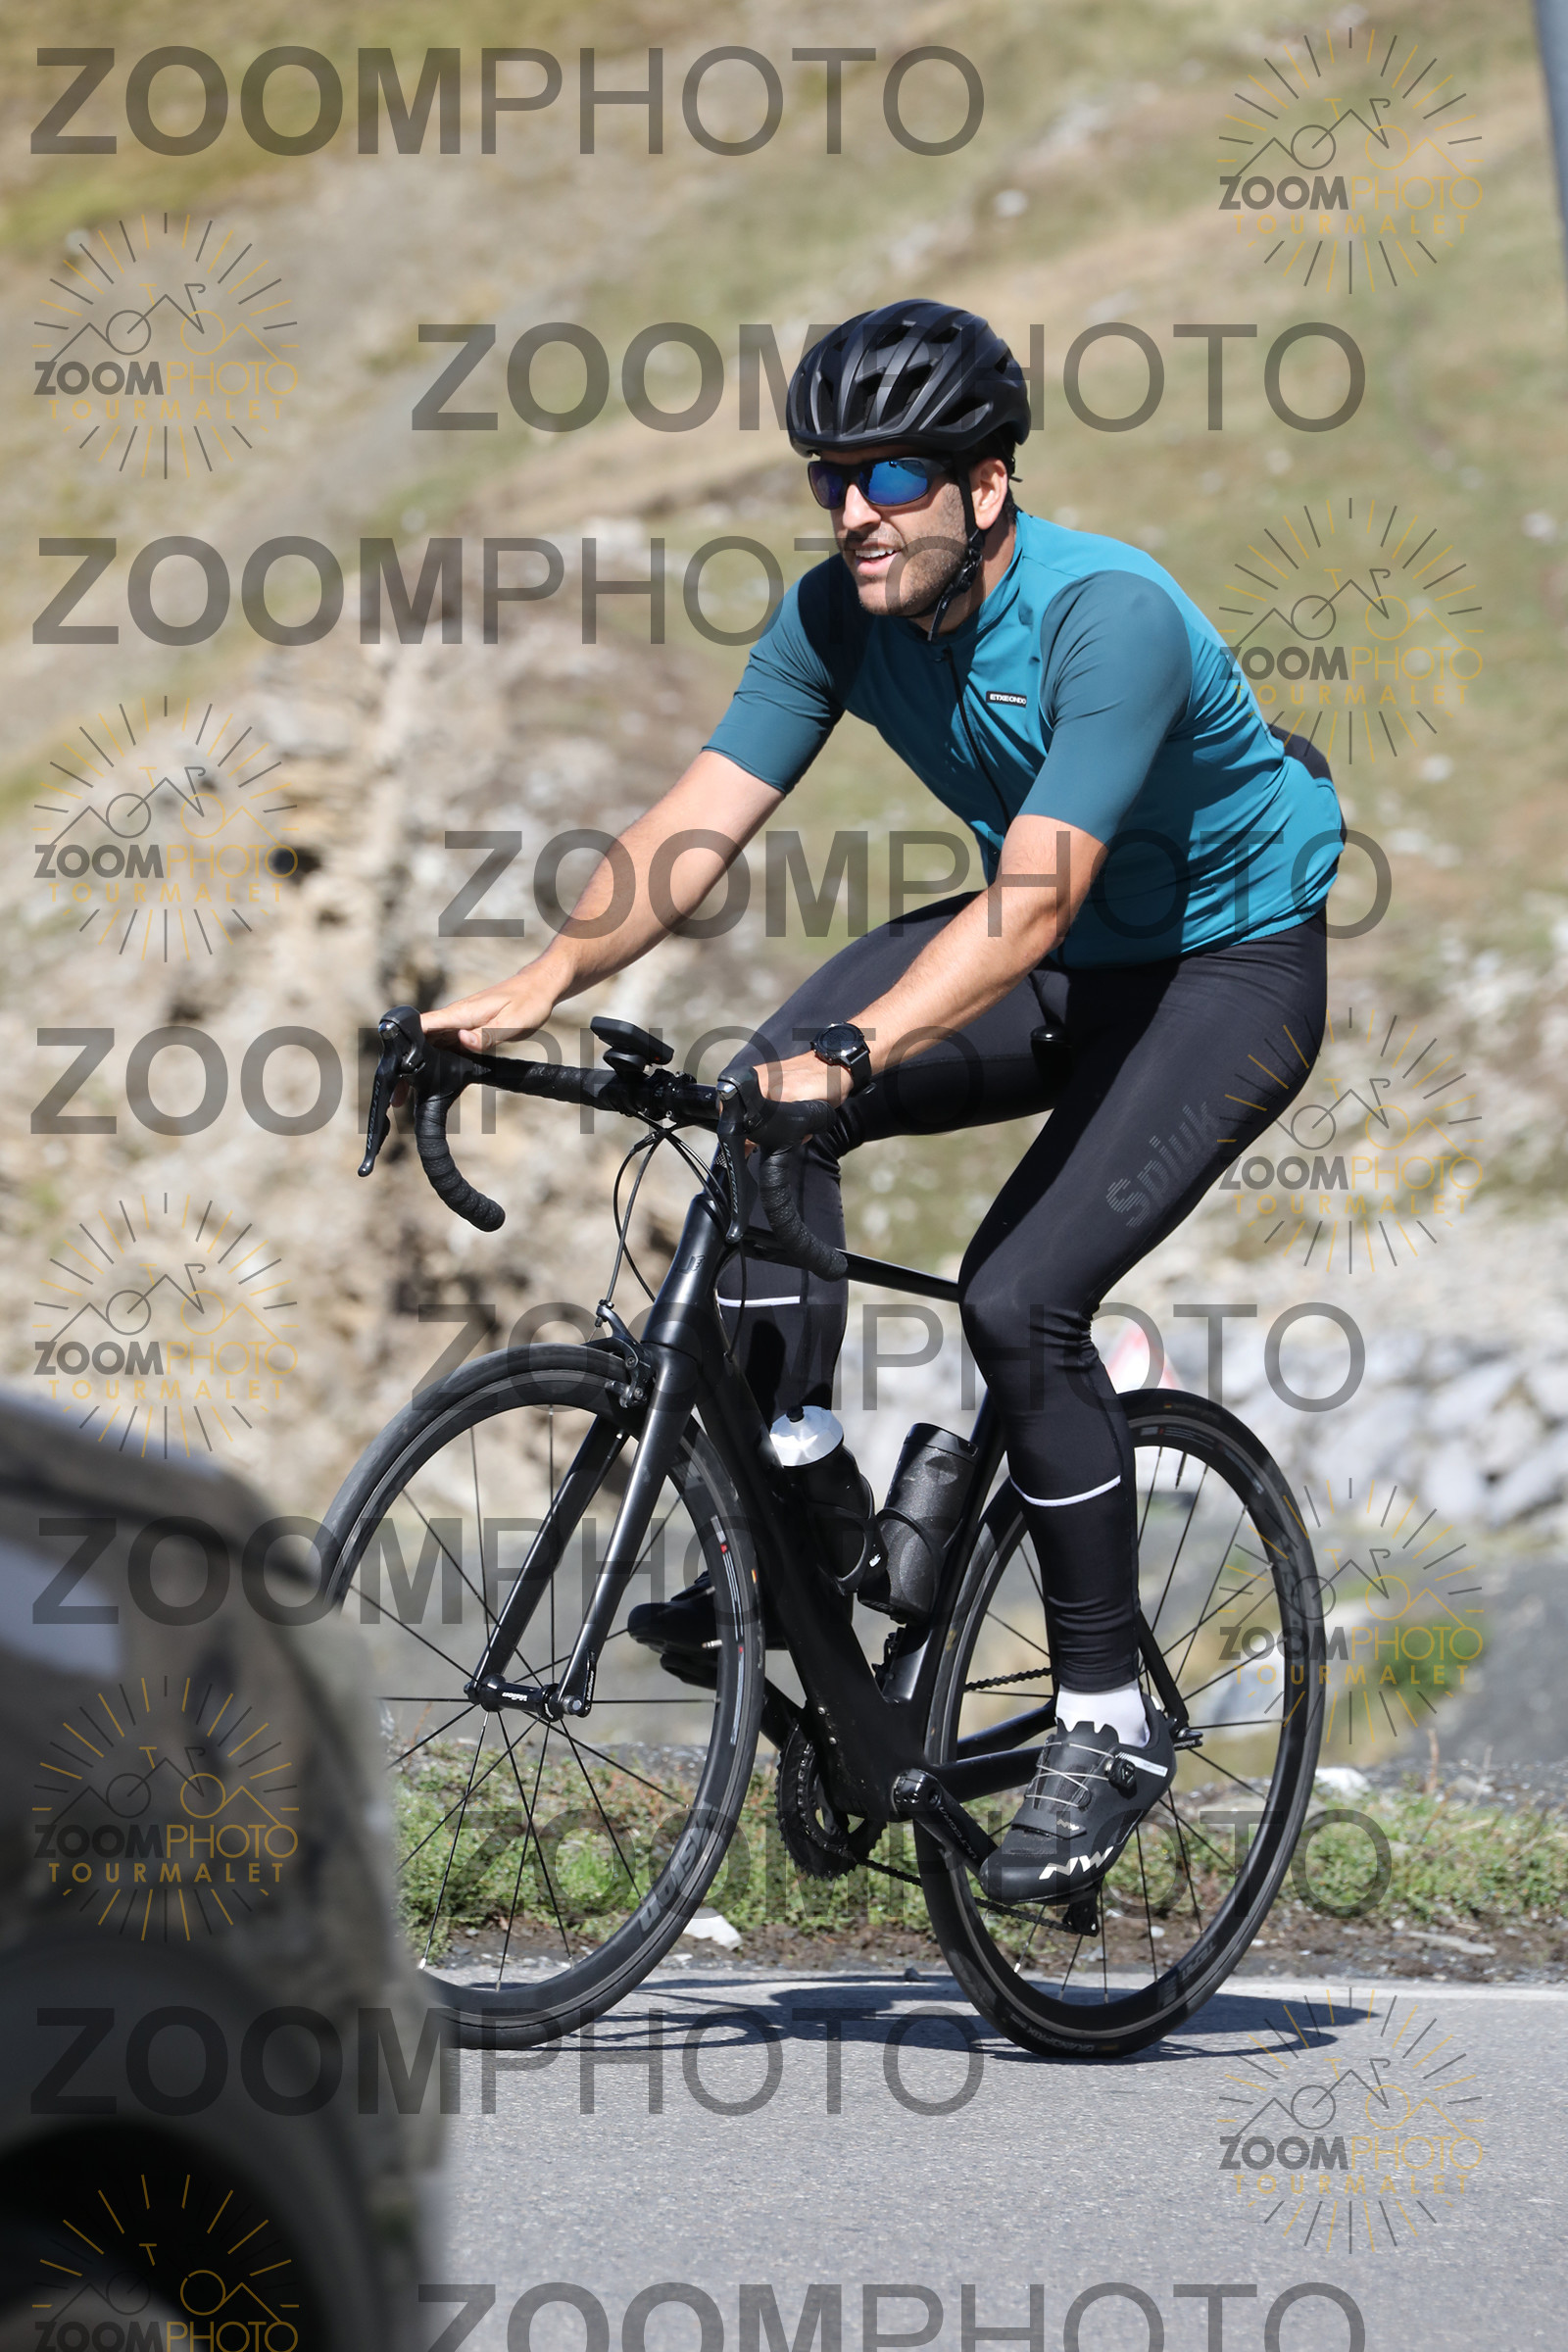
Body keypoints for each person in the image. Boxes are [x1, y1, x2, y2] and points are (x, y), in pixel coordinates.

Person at [422, 300, 1341, 1903]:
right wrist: (539, 980)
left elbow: (1033, 906)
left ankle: (1108, 1718)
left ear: (986, 485)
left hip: (1224, 968)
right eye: (831, 477)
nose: (856, 509)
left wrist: (859, 1053)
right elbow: (697, 821)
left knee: (1019, 1297)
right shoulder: (836, 615)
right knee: (755, 1099)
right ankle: (805, 1496)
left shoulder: (1107, 618)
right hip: (1067, 956)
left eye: (895, 475)